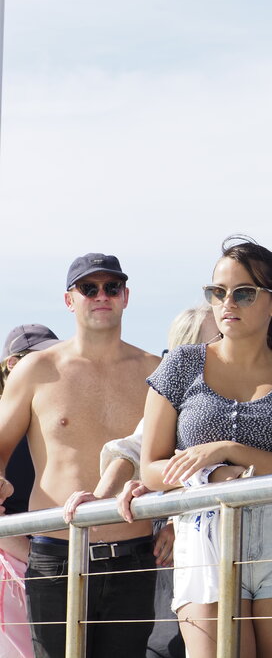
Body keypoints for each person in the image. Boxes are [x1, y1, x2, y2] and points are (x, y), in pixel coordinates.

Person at [135, 237, 272, 658]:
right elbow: (150, 468)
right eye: (218, 292)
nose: (228, 303)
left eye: (243, 293)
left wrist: (231, 450)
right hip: (203, 533)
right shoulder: (180, 364)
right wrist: (213, 474)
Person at [0, 254, 162, 657]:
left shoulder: (156, 372)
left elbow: (175, 458)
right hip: (56, 556)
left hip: (135, 555)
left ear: (126, 296)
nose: (101, 296)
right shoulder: (38, 369)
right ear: (70, 300)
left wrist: (175, 522)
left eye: (111, 288)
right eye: (89, 289)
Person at [63, 303, 222, 658]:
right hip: (194, 555)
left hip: (258, 548)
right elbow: (132, 449)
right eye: (217, 335)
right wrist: (100, 500)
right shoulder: (178, 393)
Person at [0, 324, 60, 658]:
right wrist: (32, 558)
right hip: (17, 569)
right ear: (12, 365)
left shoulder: (50, 425)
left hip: (49, 562)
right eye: (38, 360)